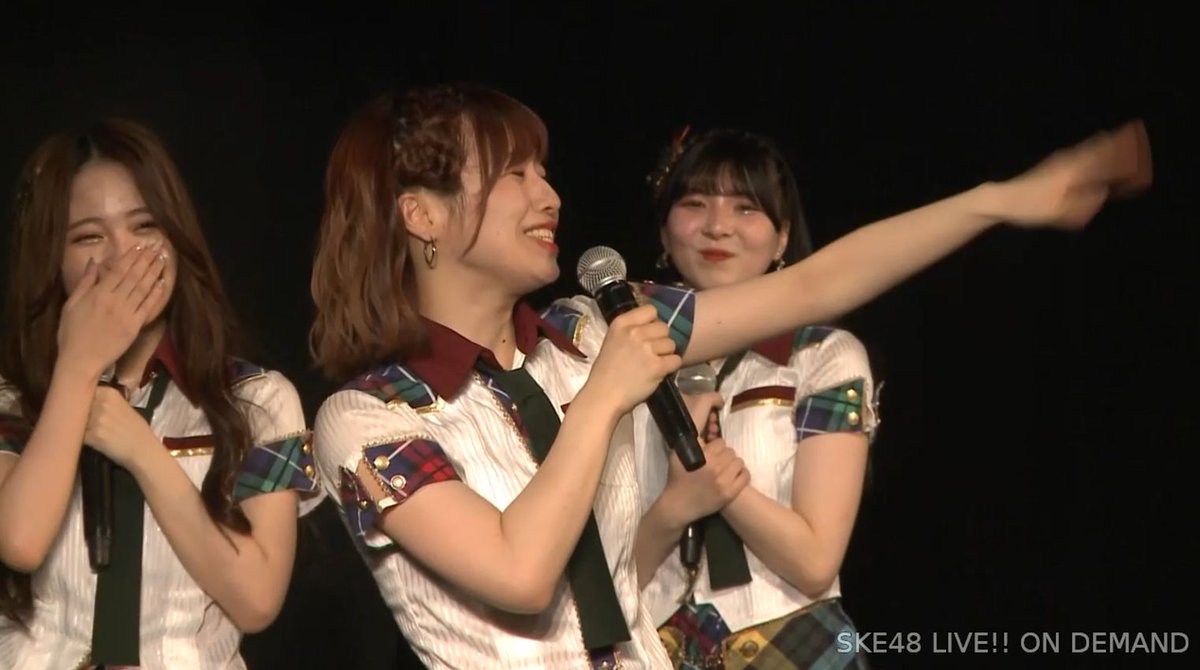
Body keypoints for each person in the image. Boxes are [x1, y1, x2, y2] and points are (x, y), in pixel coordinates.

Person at [308, 82, 1147, 670]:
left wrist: (998, 201)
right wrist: (604, 399)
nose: (550, 196)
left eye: (545, 171)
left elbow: (814, 287)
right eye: (515, 175)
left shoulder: (583, 333)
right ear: (421, 212)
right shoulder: (369, 416)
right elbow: (521, 574)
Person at [0, 118, 321, 669]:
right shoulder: (13, 399)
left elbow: (257, 600)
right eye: (89, 236)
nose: (123, 256)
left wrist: (141, 451)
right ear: (53, 258)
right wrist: (77, 367)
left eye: (145, 226)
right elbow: (20, 541)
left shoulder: (257, 400)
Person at [633, 127, 877, 669]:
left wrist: (718, 481)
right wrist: (673, 509)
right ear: (665, 231)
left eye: (746, 208)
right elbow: (605, 573)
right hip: (652, 648)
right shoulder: (623, 357)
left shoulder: (821, 355)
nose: (718, 226)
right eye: (695, 203)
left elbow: (815, 562)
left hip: (793, 643)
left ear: (782, 238)